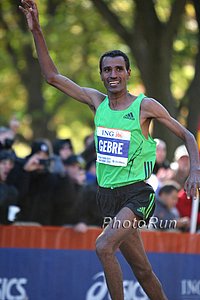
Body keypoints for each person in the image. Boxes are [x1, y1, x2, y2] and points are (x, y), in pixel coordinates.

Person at [19, 1, 200, 299]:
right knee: (142, 270)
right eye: (107, 70)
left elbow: (186, 134)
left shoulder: (145, 106)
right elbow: (52, 77)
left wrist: (194, 169)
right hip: (107, 196)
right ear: (102, 75)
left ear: (128, 73)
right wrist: (37, 29)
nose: (113, 74)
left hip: (137, 194)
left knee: (103, 245)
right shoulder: (96, 103)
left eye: (119, 68)